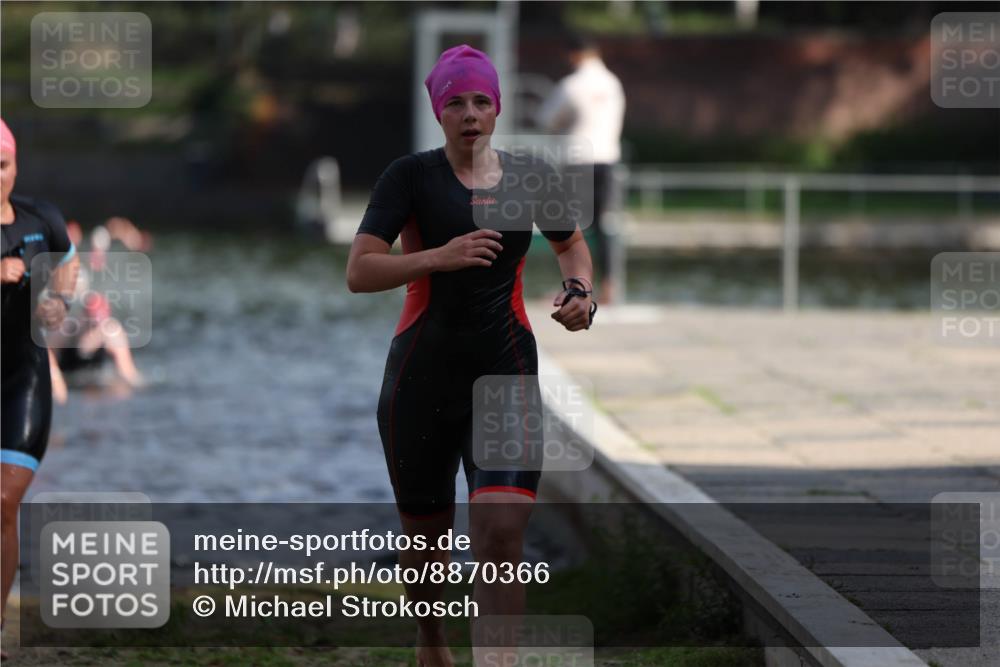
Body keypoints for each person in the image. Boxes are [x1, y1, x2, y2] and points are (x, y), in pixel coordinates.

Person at [347, 45, 595, 667]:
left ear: (497, 108)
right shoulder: (410, 177)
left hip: (505, 370)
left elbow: (571, 246)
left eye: (481, 101)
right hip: (420, 379)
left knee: (503, 533)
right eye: (455, 101)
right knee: (428, 547)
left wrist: (580, 293)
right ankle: (432, 644)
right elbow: (360, 271)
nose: (470, 113)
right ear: (438, 111)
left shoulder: (531, 176)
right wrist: (438, 256)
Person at [0, 118, 78, 653]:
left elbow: (67, 265)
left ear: (15, 165)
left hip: (20, 381)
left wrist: (58, 300)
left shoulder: (40, 218)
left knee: (4, 502)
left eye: (0, 166)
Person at [537, 34, 626, 305]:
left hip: (578, 161)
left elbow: (547, 120)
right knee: (604, 225)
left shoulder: (571, 85)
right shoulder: (613, 84)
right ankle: (609, 286)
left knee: (570, 226)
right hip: (608, 159)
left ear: (575, 55)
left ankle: (573, 286)